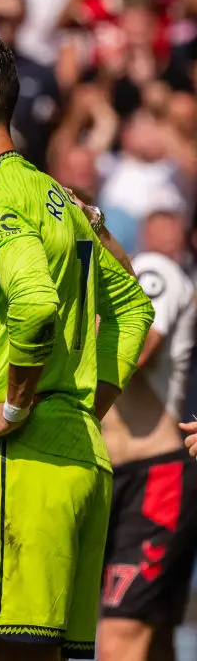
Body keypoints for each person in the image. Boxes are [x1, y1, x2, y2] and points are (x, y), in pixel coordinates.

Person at [0, 34, 154, 661]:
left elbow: (34, 303)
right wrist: (83, 406)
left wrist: (20, 407)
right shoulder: (61, 197)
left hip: (20, 464)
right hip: (81, 462)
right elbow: (133, 308)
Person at [98, 252, 197, 661]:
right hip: (100, 478)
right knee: (152, 637)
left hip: (158, 476)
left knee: (122, 631)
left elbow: (134, 354)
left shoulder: (151, 269)